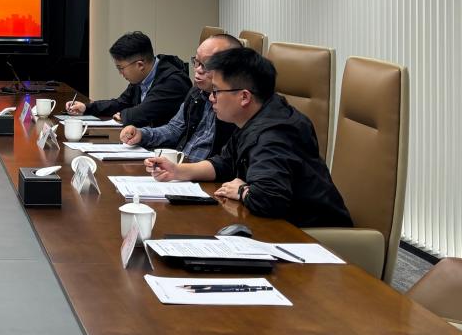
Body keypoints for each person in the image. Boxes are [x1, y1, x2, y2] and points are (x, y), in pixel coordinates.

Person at [145, 47, 352, 228]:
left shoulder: (275, 133)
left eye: (216, 91)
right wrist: (177, 171)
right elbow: (225, 162)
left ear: (244, 97)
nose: (211, 98)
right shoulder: (255, 116)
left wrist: (242, 190)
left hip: (314, 238)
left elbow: (269, 198)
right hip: (280, 227)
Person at [118, 33, 241, 160]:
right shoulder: (196, 93)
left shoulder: (235, 106)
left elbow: (225, 162)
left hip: (201, 170)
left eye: (207, 65)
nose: (198, 70)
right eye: (197, 62)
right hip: (181, 165)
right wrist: (142, 134)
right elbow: (174, 129)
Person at [66, 31, 191, 126]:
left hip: (166, 148)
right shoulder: (141, 79)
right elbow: (121, 103)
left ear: (140, 65)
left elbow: (144, 112)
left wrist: (124, 115)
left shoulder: (173, 81)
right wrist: (87, 107)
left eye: (121, 68)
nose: (120, 73)